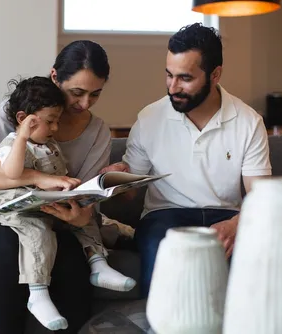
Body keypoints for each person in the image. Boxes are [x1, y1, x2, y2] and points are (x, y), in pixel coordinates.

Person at [101, 23, 272, 297]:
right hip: (165, 215)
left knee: (256, 275)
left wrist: (237, 224)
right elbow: (129, 195)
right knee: (163, 270)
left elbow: (261, 196)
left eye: (185, 78)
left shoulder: (249, 121)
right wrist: (115, 179)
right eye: (169, 75)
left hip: (226, 215)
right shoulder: (149, 118)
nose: (173, 87)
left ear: (215, 75)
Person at [0, 40, 116, 334]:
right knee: (9, 254)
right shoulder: (16, 111)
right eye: (77, 93)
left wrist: (80, 216)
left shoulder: (97, 131)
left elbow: (87, 198)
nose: (84, 104)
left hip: (56, 222)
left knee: (72, 265)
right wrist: (37, 177)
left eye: (95, 94)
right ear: (55, 77)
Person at [0, 76, 135, 331]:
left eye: (57, 120)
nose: (56, 128)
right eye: (50, 122)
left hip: (47, 205)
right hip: (20, 210)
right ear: (24, 119)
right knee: (39, 234)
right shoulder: (12, 144)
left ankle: (98, 264)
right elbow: (12, 173)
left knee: (85, 217)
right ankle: (37, 293)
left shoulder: (50, 144)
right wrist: (23, 137)